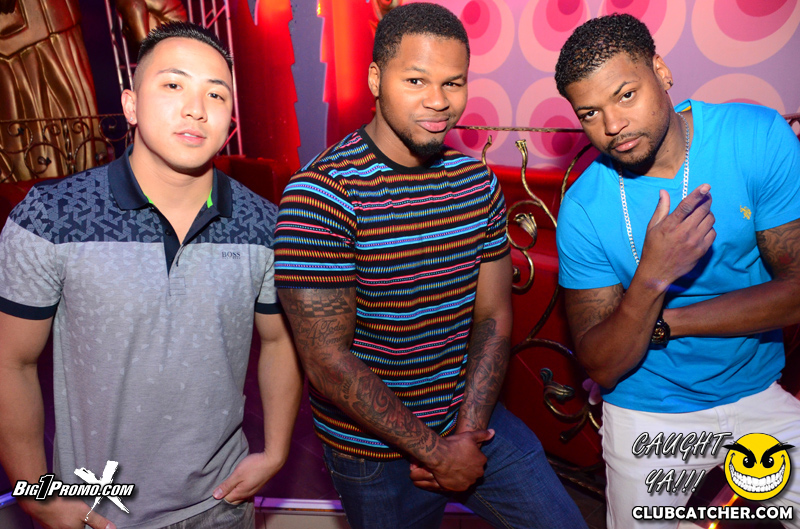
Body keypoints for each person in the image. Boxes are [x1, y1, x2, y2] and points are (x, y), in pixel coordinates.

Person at [274, 3, 587, 529]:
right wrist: (437, 454)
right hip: (371, 451)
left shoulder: (476, 184)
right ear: (376, 79)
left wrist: (466, 436)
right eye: (416, 80)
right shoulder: (322, 194)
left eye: (453, 83)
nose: (438, 101)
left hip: (471, 422)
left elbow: (492, 316)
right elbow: (327, 361)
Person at [0, 22, 302, 529]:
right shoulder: (50, 217)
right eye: (173, 84)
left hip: (220, 507)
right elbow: (11, 361)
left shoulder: (264, 225)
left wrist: (276, 451)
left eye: (216, 94)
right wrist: (37, 494)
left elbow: (279, 342)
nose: (196, 108)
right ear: (131, 104)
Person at [554, 13, 800, 528]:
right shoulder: (583, 206)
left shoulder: (755, 138)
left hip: (758, 393)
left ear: (661, 71)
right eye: (590, 113)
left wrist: (667, 323)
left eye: (626, 95)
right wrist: (653, 276)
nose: (613, 126)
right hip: (648, 411)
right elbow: (602, 365)